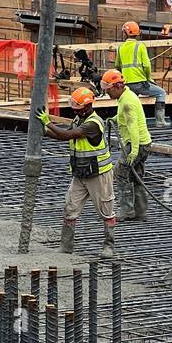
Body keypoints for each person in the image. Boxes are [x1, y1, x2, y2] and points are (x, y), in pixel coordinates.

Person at [39, 86, 117, 258]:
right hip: (80, 174)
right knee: (70, 207)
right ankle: (66, 246)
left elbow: (68, 135)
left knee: (106, 209)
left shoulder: (93, 124)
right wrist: (44, 132)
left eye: (78, 108)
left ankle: (109, 246)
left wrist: (47, 122)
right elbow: (64, 135)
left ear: (88, 107)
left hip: (99, 174)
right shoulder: (79, 119)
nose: (75, 111)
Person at [101, 68, 151, 221]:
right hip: (144, 143)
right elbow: (125, 116)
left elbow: (133, 127)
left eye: (108, 90)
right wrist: (115, 119)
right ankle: (140, 211)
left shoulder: (127, 101)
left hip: (136, 144)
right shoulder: (126, 96)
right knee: (136, 177)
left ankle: (126, 210)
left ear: (117, 86)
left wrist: (133, 151)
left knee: (120, 173)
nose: (107, 93)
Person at [115, 21, 167, 124]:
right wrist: (148, 78)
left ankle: (127, 121)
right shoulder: (140, 46)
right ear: (137, 33)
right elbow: (147, 65)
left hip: (126, 84)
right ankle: (160, 122)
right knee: (161, 93)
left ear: (125, 33)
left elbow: (117, 66)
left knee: (130, 101)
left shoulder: (120, 47)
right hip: (140, 83)